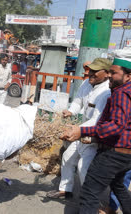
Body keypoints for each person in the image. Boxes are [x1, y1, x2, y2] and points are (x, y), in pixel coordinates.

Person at [63, 54, 131, 213]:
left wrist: (82, 130)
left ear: (128, 76)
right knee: (118, 186)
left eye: (114, 73)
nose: (110, 76)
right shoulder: (123, 90)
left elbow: (116, 126)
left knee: (89, 192)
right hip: (126, 153)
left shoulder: (120, 93)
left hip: (114, 153)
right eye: (110, 72)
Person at [46, 58, 111, 199]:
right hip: (80, 129)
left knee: (83, 166)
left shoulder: (106, 92)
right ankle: (66, 190)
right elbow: (78, 101)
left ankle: (91, 199)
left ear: (106, 73)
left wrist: (75, 131)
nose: (90, 74)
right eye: (90, 70)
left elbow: (96, 120)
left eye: (95, 71)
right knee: (68, 157)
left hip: (93, 134)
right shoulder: (86, 83)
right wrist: (71, 111)